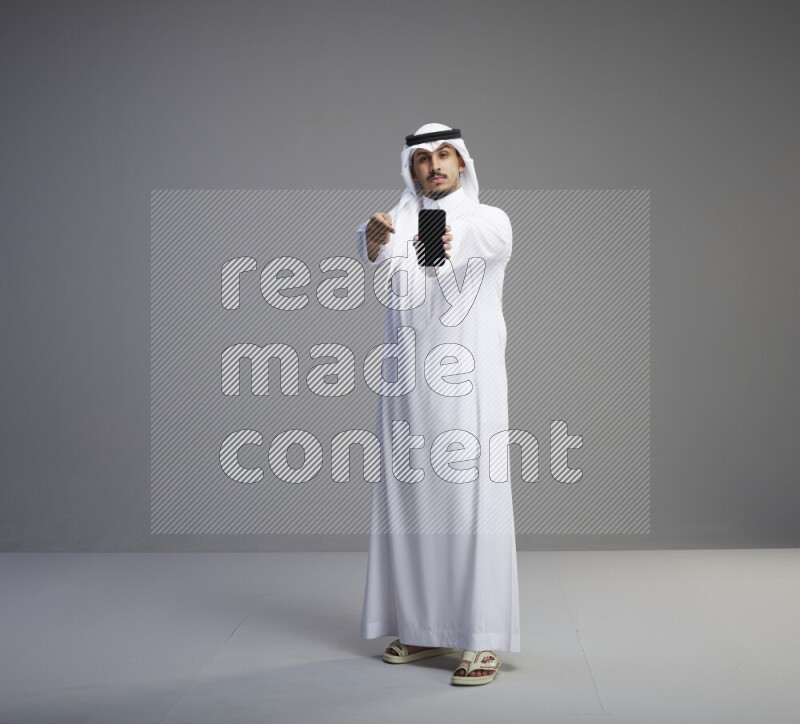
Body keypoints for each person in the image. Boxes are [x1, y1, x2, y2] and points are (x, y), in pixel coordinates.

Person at [355, 123, 520, 686]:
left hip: (469, 385)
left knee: (474, 506)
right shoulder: (389, 220)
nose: (434, 166)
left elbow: (455, 246)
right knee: (412, 503)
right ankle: (424, 628)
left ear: (463, 163)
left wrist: (433, 239)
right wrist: (374, 243)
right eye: (423, 158)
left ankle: (482, 639)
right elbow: (375, 254)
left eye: (444, 155)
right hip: (406, 387)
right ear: (411, 168)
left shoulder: (489, 219)